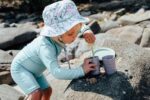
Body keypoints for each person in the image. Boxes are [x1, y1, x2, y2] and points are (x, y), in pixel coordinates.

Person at [11, 0, 96, 100]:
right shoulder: (46, 47)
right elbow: (57, 72)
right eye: (70, 34)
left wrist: (86, 31)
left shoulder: (60, 35)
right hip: (21, 69)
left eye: (76, 32)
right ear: (56, 33)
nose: (74, 37)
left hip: (35, 71)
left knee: (47, 91)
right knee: (36, 94)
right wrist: (81, 70)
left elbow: (79, 26)